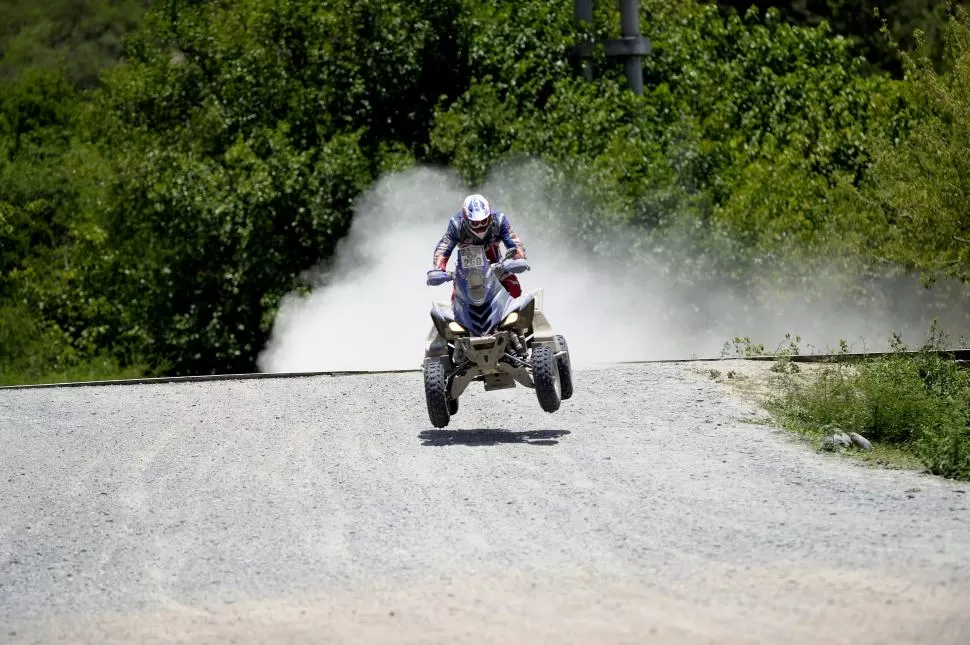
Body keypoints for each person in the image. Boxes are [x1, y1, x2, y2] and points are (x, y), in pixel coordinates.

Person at [426, 194, 527, 297]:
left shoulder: (499, 220)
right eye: (475, 223)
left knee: (514, 288)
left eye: (484, 221)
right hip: (466, 273)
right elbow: (444, 247)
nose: (480, 226)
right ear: (466, 219)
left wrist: (519, 258)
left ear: (490, 216)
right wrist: (439, 270)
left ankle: (520, 310)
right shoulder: (456, 225)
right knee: (457, 296)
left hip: (496, 266)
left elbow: (513, 241)